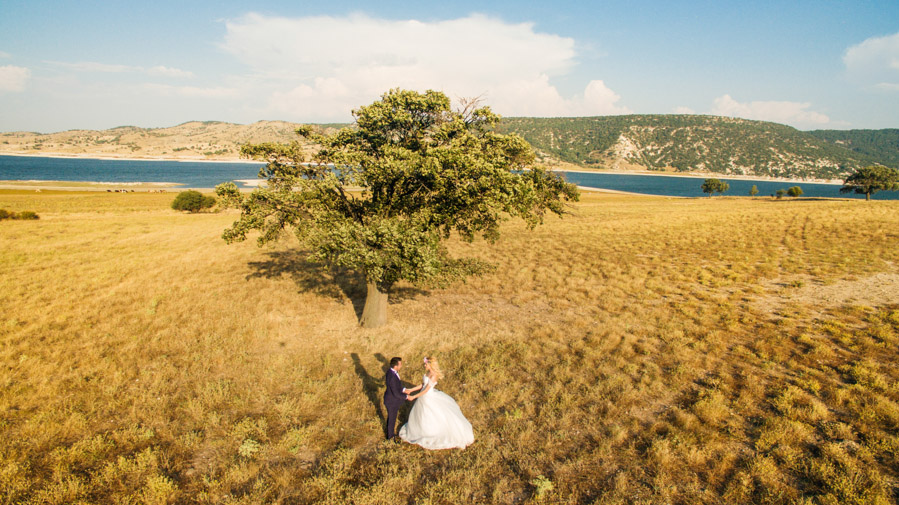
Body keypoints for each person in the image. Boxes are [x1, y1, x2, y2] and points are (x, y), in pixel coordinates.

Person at [399, 356, 474, 450]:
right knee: (422, 415)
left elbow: (426, 390)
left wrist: (414, 396)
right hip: (423, 397)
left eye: (426, 364)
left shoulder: (434, 376)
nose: (424, 365)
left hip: (428, 397)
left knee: (430, 414)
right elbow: (423, 385)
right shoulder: (428, 372)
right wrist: (411, 390)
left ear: (430, 364)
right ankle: (422, 430)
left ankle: (431, 432)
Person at [383, 357, 420, 442]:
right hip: (391, 401)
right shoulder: (392, 376)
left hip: (391, 399)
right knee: (392, 418)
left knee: (392, 417)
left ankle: (390, 433)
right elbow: (395, 393)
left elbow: (397, 385)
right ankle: (390, 437)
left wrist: (404, 390)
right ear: (396, 366)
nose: (401, 365)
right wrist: (407, 397)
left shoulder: (391, 372)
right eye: (400, 364)